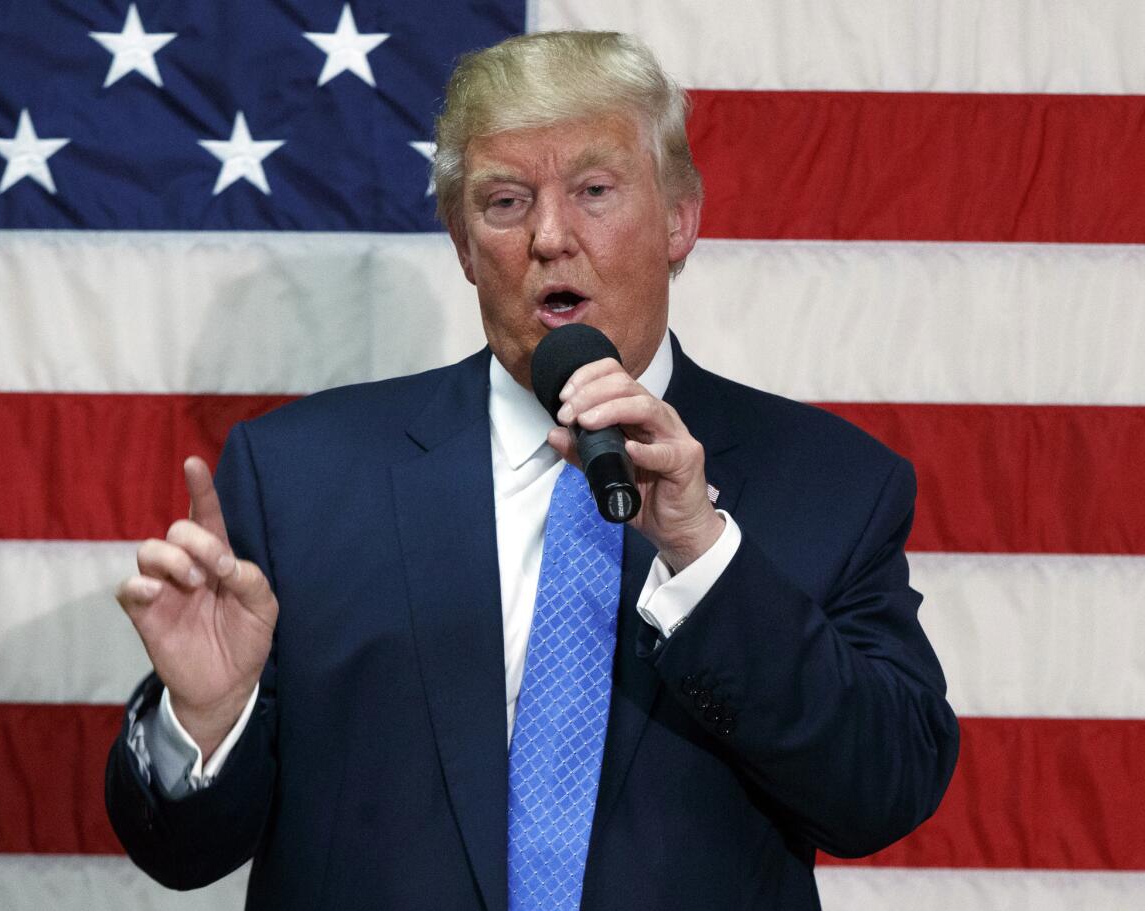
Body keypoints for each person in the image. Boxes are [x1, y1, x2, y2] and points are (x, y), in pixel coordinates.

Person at [106, 30, 959, 911]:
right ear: (465, 245)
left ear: (679, 219)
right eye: (506, 202)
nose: (551, 236)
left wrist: (704, 554)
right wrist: (204, 721)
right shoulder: (300, 479)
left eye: (593, 191)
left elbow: (882, 794)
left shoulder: (831, 482)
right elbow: (181, 853)